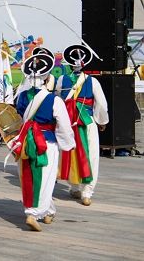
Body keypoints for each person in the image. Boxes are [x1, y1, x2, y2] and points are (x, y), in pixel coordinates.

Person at [12, 53, 75, 232]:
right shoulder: (54, 99)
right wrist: (67, 144)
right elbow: (63, 125)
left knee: (28, 176)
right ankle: (33, 213)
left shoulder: (22, 97)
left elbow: (18, 117)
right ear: (47, 77)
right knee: (46, 178)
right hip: (45, 142)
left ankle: (48, 211)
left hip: (25, 141)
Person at [55, 44, 109, 206]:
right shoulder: (92, 82)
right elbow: (101, 104)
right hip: (86, 122)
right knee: (90, 155)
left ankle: (75, 187)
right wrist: (102, 121)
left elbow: (57, 100)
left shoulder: (61, 80)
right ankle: (87, 191)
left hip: (66, 123)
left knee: (68, 153)